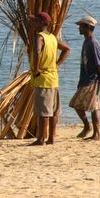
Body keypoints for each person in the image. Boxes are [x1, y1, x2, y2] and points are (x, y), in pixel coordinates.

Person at [28, 12, 70, 145]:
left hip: (43, 78)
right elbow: (67, 49)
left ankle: (41, 139)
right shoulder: (52, 37)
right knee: (53, 110)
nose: (32, 23)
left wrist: (36, 68)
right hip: (53, 78)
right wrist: (57, 65)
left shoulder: (39, 37)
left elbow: (37, 51)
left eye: (34, 21)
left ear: (41, 23)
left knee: (43, 112)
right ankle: (51, 138)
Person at [69, 15, 100, 140]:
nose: (79, 28)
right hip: (87, 78)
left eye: (81, 26)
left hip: (91, 79)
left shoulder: (93, 43)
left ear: (88, 27)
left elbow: (99, 63)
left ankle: (90, 128)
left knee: (76, 104)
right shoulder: (87, 41)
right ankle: (93, 131)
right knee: (92, 107)